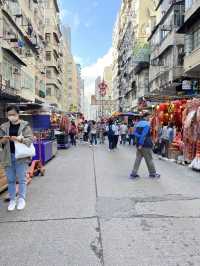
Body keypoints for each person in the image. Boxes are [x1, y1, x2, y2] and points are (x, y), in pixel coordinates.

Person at [0, 105, 34, 211]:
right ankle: (12, 200)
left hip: (21, 156)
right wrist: (3, 140)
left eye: (13, 114)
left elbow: (30, 140)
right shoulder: (3, 126)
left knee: (22, 179)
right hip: (8, 156)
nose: (11, 116)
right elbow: (0, 141)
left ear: (18, 114)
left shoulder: (25, 126)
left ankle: (21, 199)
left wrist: (19, 139)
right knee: (10, 179)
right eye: (9, 115)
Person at [130, 114, 160, 179]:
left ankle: (133, 173)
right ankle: (153, 173)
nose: (149, 118)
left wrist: (139, 141)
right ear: (145, 117)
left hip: (139, 144)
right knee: (149, 159)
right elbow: (144, 135)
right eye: (148, 117)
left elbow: (134, 133)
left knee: (137, 159)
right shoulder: (147, 124)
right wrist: (141, 143)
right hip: (146, 144)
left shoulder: (138, 124)